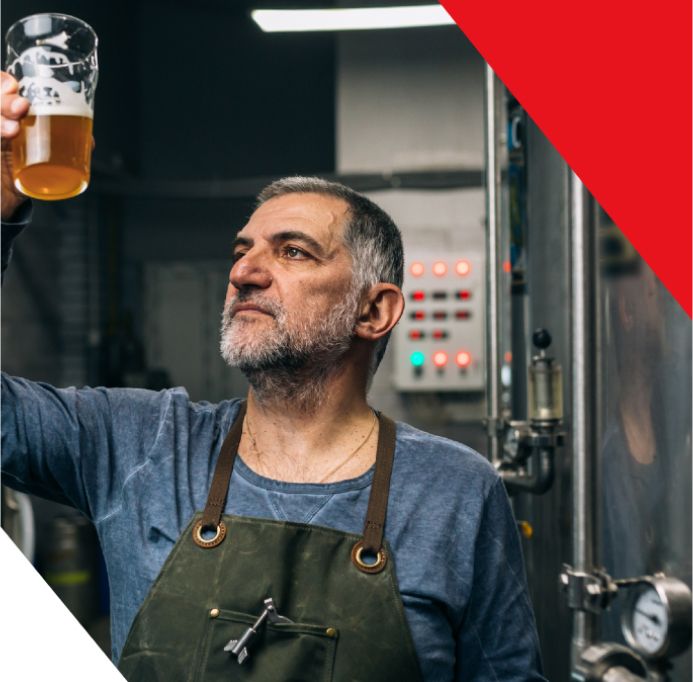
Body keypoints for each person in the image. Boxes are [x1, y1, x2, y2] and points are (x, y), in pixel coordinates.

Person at [1, 71, 545, 681]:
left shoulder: (454, 492)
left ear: (374, 310)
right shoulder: (140, 442)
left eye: (292, 252)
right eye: (242, 251)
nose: (244, 273)